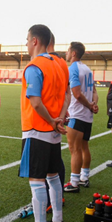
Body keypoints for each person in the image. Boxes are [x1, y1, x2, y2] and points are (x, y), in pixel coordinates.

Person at [14, 24, 67, 222]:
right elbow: (67, 96)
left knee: (36, 181)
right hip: (54, 132)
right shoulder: (60, 63)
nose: (26, 43)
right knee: (53, 177)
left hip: (38, 131)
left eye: (27, 39)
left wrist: (52, 121)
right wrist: (59, 120)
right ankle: (57, 221)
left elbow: (35, 102)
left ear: (35, 40)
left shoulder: (34, 66)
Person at [63, 42, 98, 191]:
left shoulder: (73, 68)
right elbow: (95, 91)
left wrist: (90, 105)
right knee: (84, 147)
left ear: (73, 53)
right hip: (87, 116)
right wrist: (93, 104)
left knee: (75, 149)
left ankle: (74, 182)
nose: (66, 53)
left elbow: (77, 94)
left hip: (76, 115)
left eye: (68, 50)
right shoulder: (88, 69)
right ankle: (84, 177)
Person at [45, 34, 69, 210]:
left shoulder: (49, 61)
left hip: (48, 119)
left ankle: (49, 201)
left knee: (47, 165)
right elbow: (66, 92)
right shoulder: (62, 62)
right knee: (55, 158)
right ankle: (57, 197)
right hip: (58, 116)